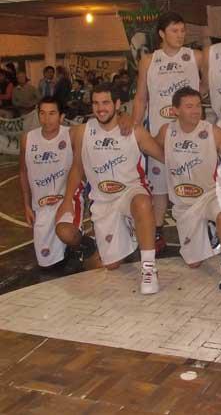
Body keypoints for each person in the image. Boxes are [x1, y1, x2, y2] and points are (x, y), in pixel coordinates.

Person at [55, 83, 165, 294]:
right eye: (96, 103)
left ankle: (149, 268)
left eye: (106, 102)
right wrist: (67, 200)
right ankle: (125, 234)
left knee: (142, 202)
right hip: (103, 200)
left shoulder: (134, 130)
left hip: (130, 193)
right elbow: (77, 167)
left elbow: (163, 156)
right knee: (111, 265)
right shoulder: (83, 132)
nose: (100, 108)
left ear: (117, 104)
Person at [129, 12, 203, 253]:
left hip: (189, 133)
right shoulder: (149, 61)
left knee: (192, 183)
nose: (180, 35)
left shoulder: (195, 56)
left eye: (183, 30)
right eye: (174, 30)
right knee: (159, 187)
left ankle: (199, 229)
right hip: (159, 134)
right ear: (162, 33)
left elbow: (212, 82)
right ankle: (158, 230)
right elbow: (141, 98)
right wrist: (134, 128)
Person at [155, 87, 221, 291]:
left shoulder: (213, 131)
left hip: (211, 194)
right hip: (184, 203)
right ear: (175, 110)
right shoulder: (166, 132)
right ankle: (210, 230)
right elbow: (149, 147)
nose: (195, 110)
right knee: (193, 263)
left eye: (198, 106)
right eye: (189, 106)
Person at [19, 97, 96, 273]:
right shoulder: (27, 139)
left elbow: (101, 122)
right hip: (42, 205)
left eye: (52, 113)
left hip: (68, 199)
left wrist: (124, 117)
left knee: (66, 233)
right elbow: (23, 172)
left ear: (61, 117)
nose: (47, 119)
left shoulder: (72, 134)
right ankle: (68, 250)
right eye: (42, 113)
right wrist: (26, 205)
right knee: (48, 265)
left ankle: (84, 246)